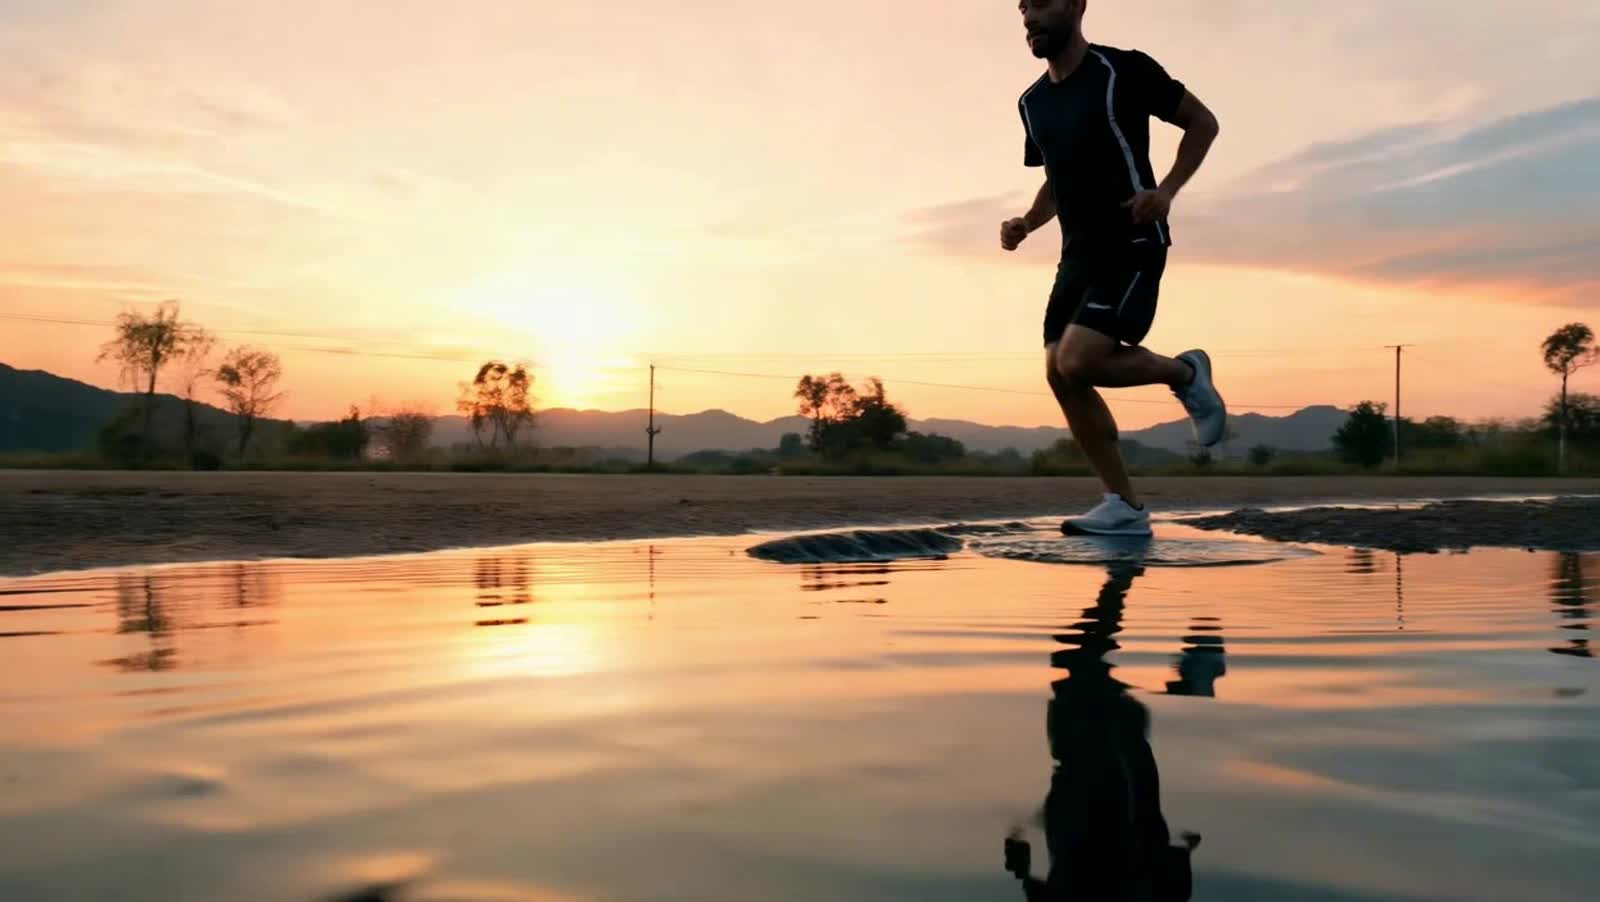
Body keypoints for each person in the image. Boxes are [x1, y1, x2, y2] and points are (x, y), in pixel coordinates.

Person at [1001, 0, 1226, 537]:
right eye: (1023, 5)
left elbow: (1203, 122)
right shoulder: (1032, 103)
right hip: (1076, 254)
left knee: (1080, 360)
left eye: (1043, 2)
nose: (1030, 15)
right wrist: (1029, 222)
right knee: (1059, 371)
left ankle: (1187, 374)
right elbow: (1057, 179)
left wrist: (1165, 192)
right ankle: (1123, 505)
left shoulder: (1122, 70)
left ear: (1077, 5)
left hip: (1133, 237)